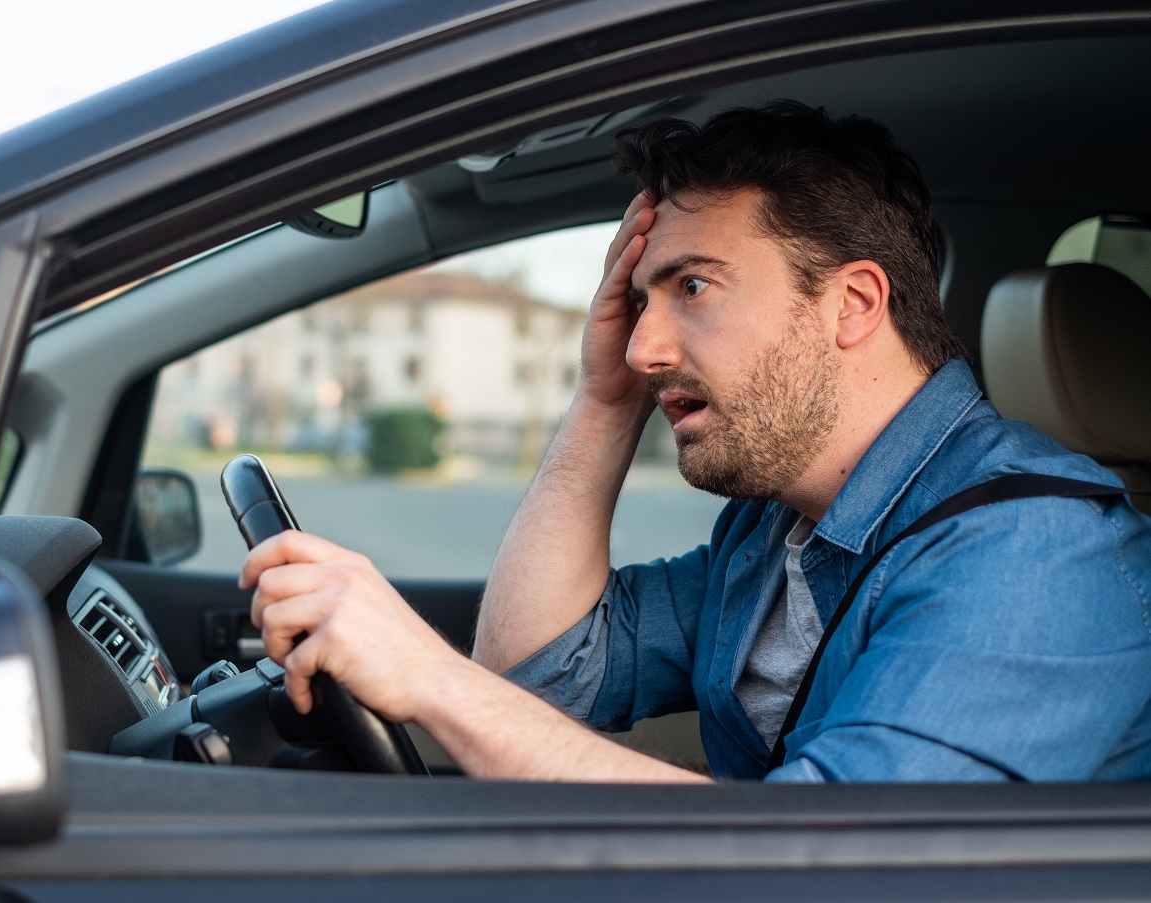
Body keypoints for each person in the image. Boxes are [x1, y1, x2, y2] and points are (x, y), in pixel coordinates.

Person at [239, 102, 1151, 782]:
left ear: (854, 304)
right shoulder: (775, 527)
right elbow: (540, 676)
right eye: (640, 302)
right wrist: (602, 403)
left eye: (695, 288)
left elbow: (832, 869)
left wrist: (430, 677)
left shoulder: (1039, 551)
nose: (644, 347)